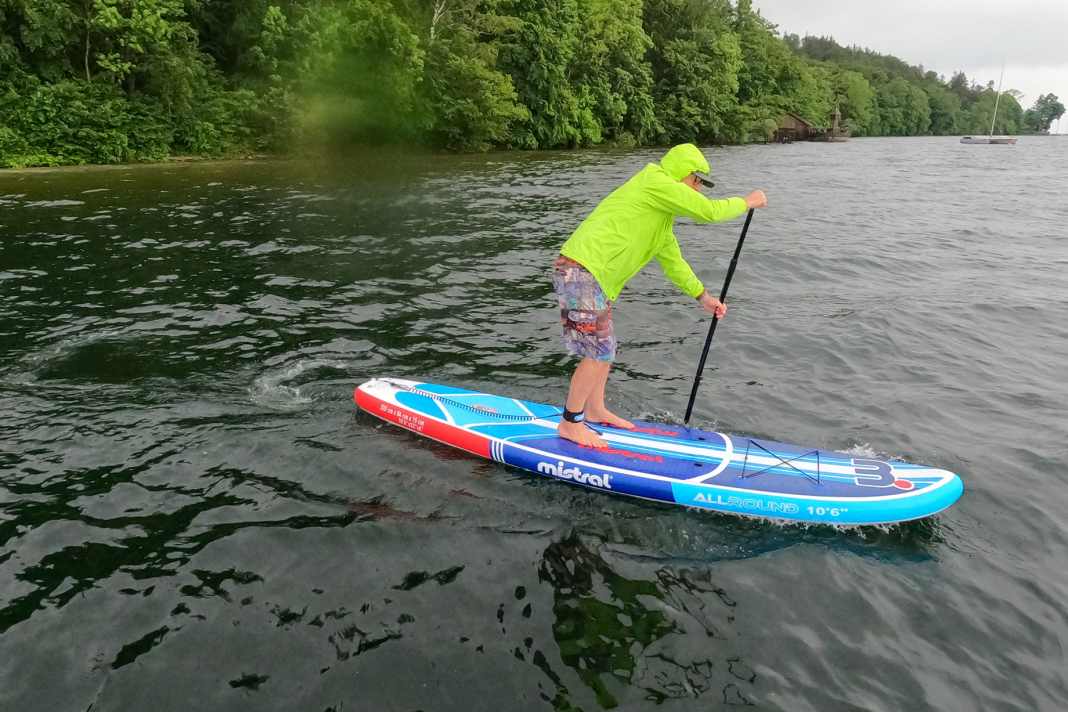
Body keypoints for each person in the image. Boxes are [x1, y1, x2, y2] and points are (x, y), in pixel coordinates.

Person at [551, 143, 768, 448]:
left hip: (595, 278)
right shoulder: (655, 181)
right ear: (684, 174)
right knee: (598, 350)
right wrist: (746, 202)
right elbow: (708, 212)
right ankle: (570, 423)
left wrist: (704, 298)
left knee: (607, 348)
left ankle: (595, 410)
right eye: (697, 181)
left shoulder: (660, 219)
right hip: (581, 269)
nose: (698, 189)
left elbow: (674, 263)